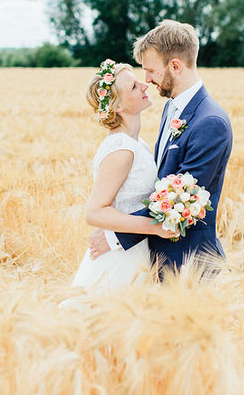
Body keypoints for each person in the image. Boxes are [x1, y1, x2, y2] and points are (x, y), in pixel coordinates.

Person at [88, 20, 233, 278]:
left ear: (175, 66)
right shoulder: (172, 108)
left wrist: (116, 236)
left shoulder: (210, 122)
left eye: (151, 71)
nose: (147, 80)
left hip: (189, 261)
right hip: (155, 260)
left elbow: (182, 200)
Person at [70, 60, 177, 289]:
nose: (145, 85)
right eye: (134, 87)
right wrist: (155, 227)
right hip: (118, 261)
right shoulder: (122, 150)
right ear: (117, 106)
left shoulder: (137, 143)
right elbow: (94, 213)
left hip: (134, 252)